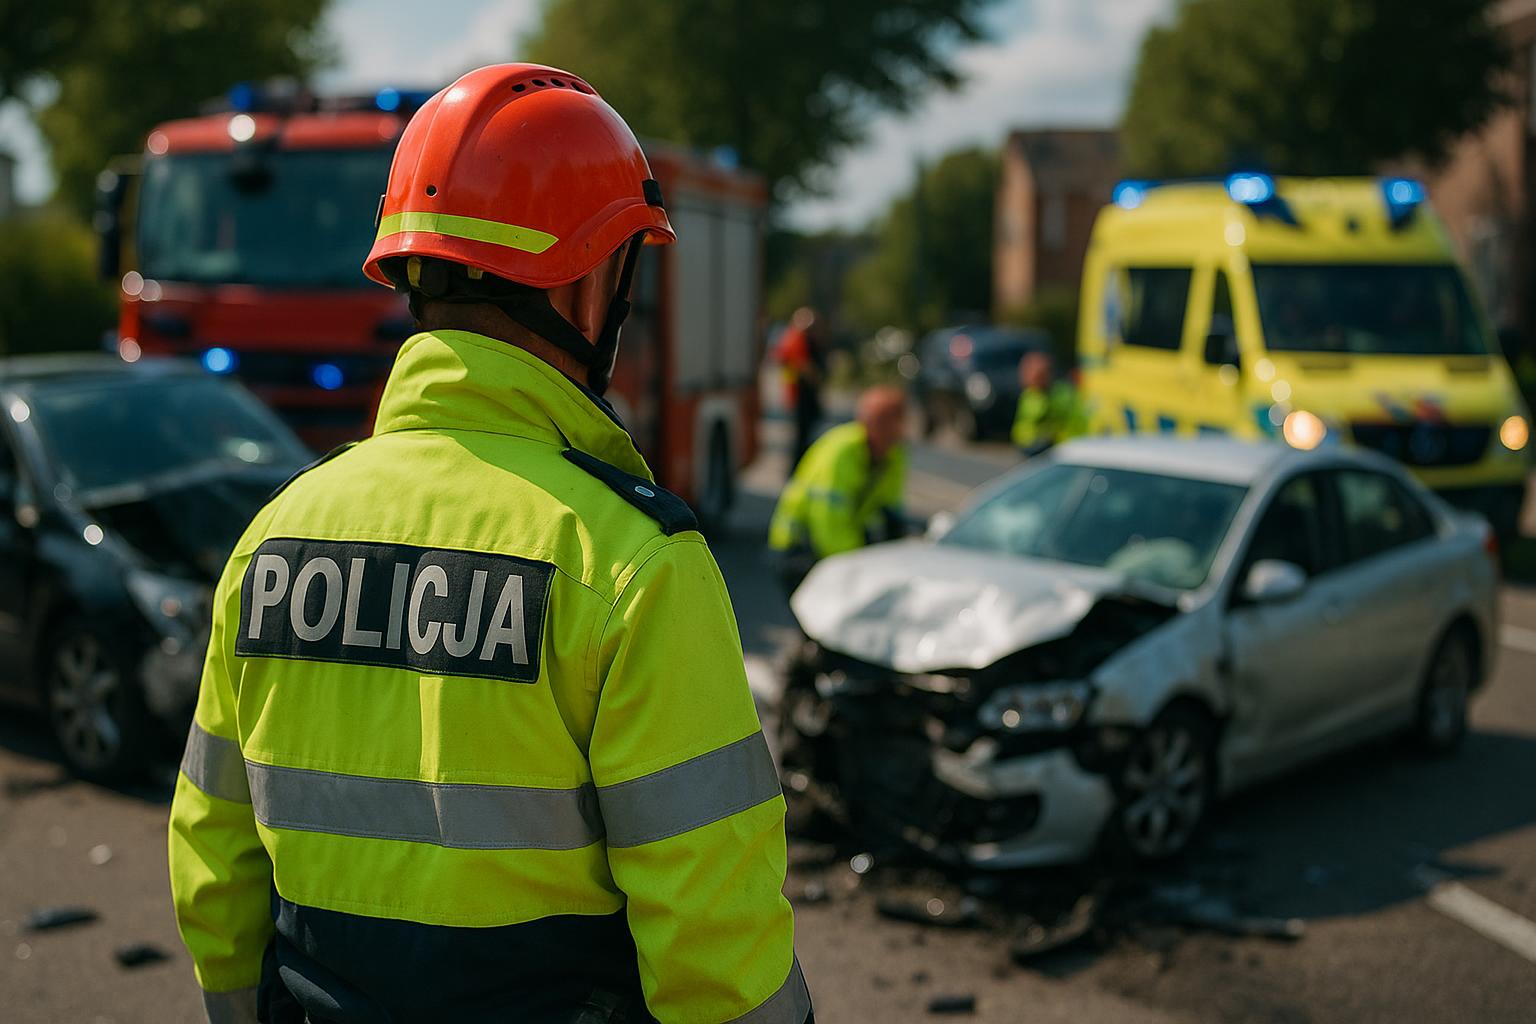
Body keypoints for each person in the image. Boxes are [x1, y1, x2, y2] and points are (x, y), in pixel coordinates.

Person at [167, 64, 810, 1024]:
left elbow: (214, 866)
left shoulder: (273, 538)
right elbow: (715, 944)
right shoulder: (632, 564)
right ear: (593, 283)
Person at [768, 386, 909, 593]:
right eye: (886, 426)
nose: (895, 436)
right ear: (867, 423)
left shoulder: (893, 455)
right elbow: (828, 523)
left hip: (834, 550)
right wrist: (860, 566)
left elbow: (890, 510)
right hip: (798, 548)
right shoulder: (842, 452)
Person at [1011, 350, 1087, 457]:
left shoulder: (1060, 393)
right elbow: (1025, 427)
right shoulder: (1030, 395)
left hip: (1065, 447)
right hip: (1033, 447)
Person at [776, 307, 825, 466]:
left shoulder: (798, 337)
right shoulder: (797, 338)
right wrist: (815, 379)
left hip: (802, 394)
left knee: (803, 435)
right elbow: (803, 366)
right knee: (801, 437)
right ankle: (798, 468)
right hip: (801, 394)